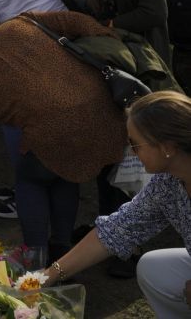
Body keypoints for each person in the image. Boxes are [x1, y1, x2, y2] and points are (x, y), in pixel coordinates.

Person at [0, 12, 126, 260]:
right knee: (64, 175)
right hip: (100, 109)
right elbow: (71, 20)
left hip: (55, 132)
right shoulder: (18, 25)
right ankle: (62, 249)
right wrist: (106, 36)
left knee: (32, 179)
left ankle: (37, 260)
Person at [43, 91, 191, 317]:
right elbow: (117, 229)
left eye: (135, 144)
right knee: (153, 268)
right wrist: (46, 277)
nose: (132, 152)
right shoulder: (167, 182)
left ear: (167, 147)